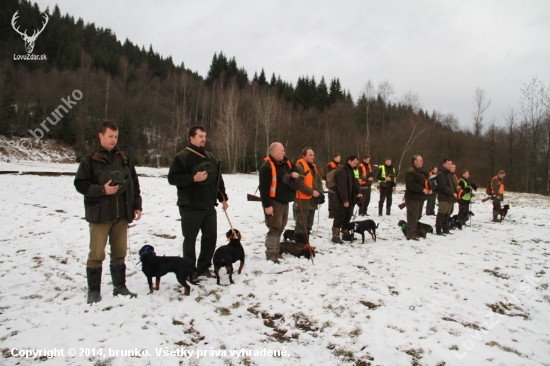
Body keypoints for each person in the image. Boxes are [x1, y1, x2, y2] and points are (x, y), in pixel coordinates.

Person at [74, 121, 142, 304]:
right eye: (110, 136)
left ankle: (120, 287)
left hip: (121, 215)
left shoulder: (124, 159)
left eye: (116, 136)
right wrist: (102, 190)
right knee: (96, 254)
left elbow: (133, 183)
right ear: (100, 136)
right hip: (100, 215)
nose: (113, 140)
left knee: (119, 253)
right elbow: (79, 184)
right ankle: (94, 291)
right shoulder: (90, 160)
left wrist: (137, 205)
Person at [168, 125, 228, 279]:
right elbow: (172, 178)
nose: (203, 139)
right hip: (190, 206)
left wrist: (223, 198)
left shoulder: (210, 157)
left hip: (208, 206)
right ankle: (189, 270)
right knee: (190, 240)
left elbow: (217, 178)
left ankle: (203, 268)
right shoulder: (182, 157)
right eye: (200, 136)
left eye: (204, 136)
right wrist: (192, 179)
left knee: (210, 237)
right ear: (191, 138)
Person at [259, 142, 299, 262]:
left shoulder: (285, 163)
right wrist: (267, 206)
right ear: (275, 152)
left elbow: (295, 167)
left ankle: (276, 252)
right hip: (274, 202)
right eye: (282, 150)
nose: (284, 152)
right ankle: (271, 254)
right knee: (274, 228)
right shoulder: (266, 167)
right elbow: (264, 189)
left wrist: (295, 172)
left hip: (284, 201)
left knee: (281, 227)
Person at [294, 147, 325, 244]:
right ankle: (299, 246)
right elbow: (299, 183)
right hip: (302, 200)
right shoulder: (299, 167)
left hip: (312, 201)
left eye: (313, 155)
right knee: (301, 225)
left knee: (309, 225)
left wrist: (320, 192)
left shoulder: (313, 167)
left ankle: (306, 244)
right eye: (310, 155)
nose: (313, 157)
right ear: (304, 156)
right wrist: (312, 192)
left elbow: (319, 180)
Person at [331, 155, 362, 243]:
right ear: (349, 161)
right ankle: (335, 236)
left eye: (357, 163)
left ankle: (345, 234)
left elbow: (355, 183)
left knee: (347, 218)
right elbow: (342, 187)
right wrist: (345, 200)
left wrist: (358, 192)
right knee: (339, 218)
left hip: (351, 199)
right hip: (341, 200)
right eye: (354, 162)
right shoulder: (342, 170)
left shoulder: (351, 170)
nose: (356, 164)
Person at [405, 155, 431, 240]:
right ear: (415, 162)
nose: (422, 162)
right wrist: (422, 189)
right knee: (413, 216)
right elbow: (412, 185)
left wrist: (429, 188)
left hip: (419, 197)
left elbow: (424, 182)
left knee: (417, 216)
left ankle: (413, 232)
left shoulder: (420, 171)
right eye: (420, 160)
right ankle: (410, 234)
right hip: (413, 198)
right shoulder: (411, 171)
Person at [435, 158, 457, 235]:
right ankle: (438, 229)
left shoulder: (449, 174)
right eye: (448, 164)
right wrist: (452, 192)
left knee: (447, 214)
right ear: (444, 164)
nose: (450, 165)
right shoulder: (441, 174)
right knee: (441, 213)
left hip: (450, 197)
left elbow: (453, 185)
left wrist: (455, 192)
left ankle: (445, 229)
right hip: (444, 197)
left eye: (451, 164)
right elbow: (443, 186)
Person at [325, 153, 341, 218]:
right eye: (338, 157)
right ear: (334, 158)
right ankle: (331, 213)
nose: (339, 159)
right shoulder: (330, 165)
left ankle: (335, 212)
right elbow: (325, 174)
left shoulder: (339, 165)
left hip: (337, 184)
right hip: (331, 184)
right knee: (331, 199)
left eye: (340, 158)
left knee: (336, 199)